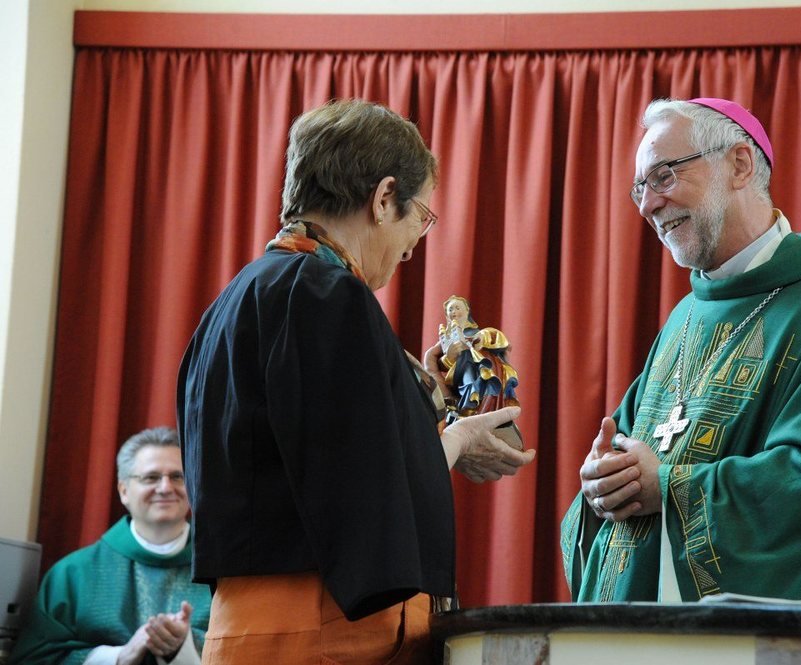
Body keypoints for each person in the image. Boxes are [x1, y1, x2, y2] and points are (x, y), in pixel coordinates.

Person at [177, 99, 536, 664]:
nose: (417, 240)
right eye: (421, 214)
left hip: (258, 620)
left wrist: (420, 392)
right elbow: (361, 478)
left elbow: (300, 447)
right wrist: (456, 440)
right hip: (324, 626)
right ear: (384, 196)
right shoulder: (327, 293)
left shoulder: (248, 291)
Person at [560, 97, 801, 608]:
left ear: (739, 164)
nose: (647, 206)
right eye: (639, 188)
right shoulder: (684, 319)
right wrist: (602, 487)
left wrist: (668, 489)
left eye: (664, 176)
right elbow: (625, 455)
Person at [11, 427, 210, 665]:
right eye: (151, 477)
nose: (166, 487)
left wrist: (185, 648)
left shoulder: (220, 572)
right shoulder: (73, 573)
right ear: (124, 491)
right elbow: (35, 659)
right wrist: (118, 657)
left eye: (178, 476)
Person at [425, 295, 519, 423]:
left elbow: (499, 340)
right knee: (469, 377)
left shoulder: (478, 332)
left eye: (457, 308)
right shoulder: (446, 340)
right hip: (463, 372)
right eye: (450, 309)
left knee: (485, 378)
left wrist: (481, 338)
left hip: (486, 368)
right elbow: (441, 364)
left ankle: (480, 408)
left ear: (467, 311)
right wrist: (450, 356)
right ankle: (468, 407)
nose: (454, 312)